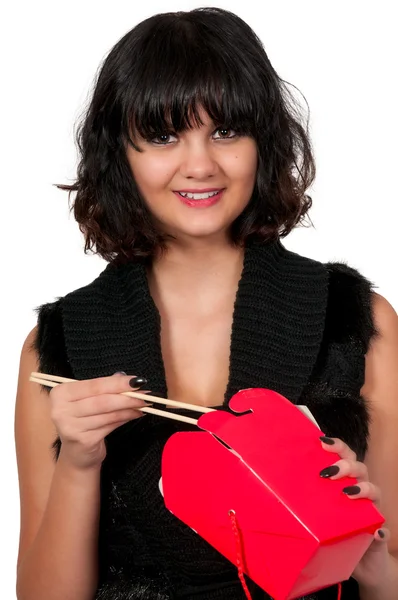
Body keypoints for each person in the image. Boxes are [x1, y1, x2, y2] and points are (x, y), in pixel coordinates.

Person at [14, 7, 398, 600]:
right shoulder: (58, 344)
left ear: (263, 143)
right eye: (164, 136)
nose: (200, 165)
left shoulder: (357, 323)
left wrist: (364, 548)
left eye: (226, 132)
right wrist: (79, 463)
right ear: (121, 152)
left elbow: (392, 571)